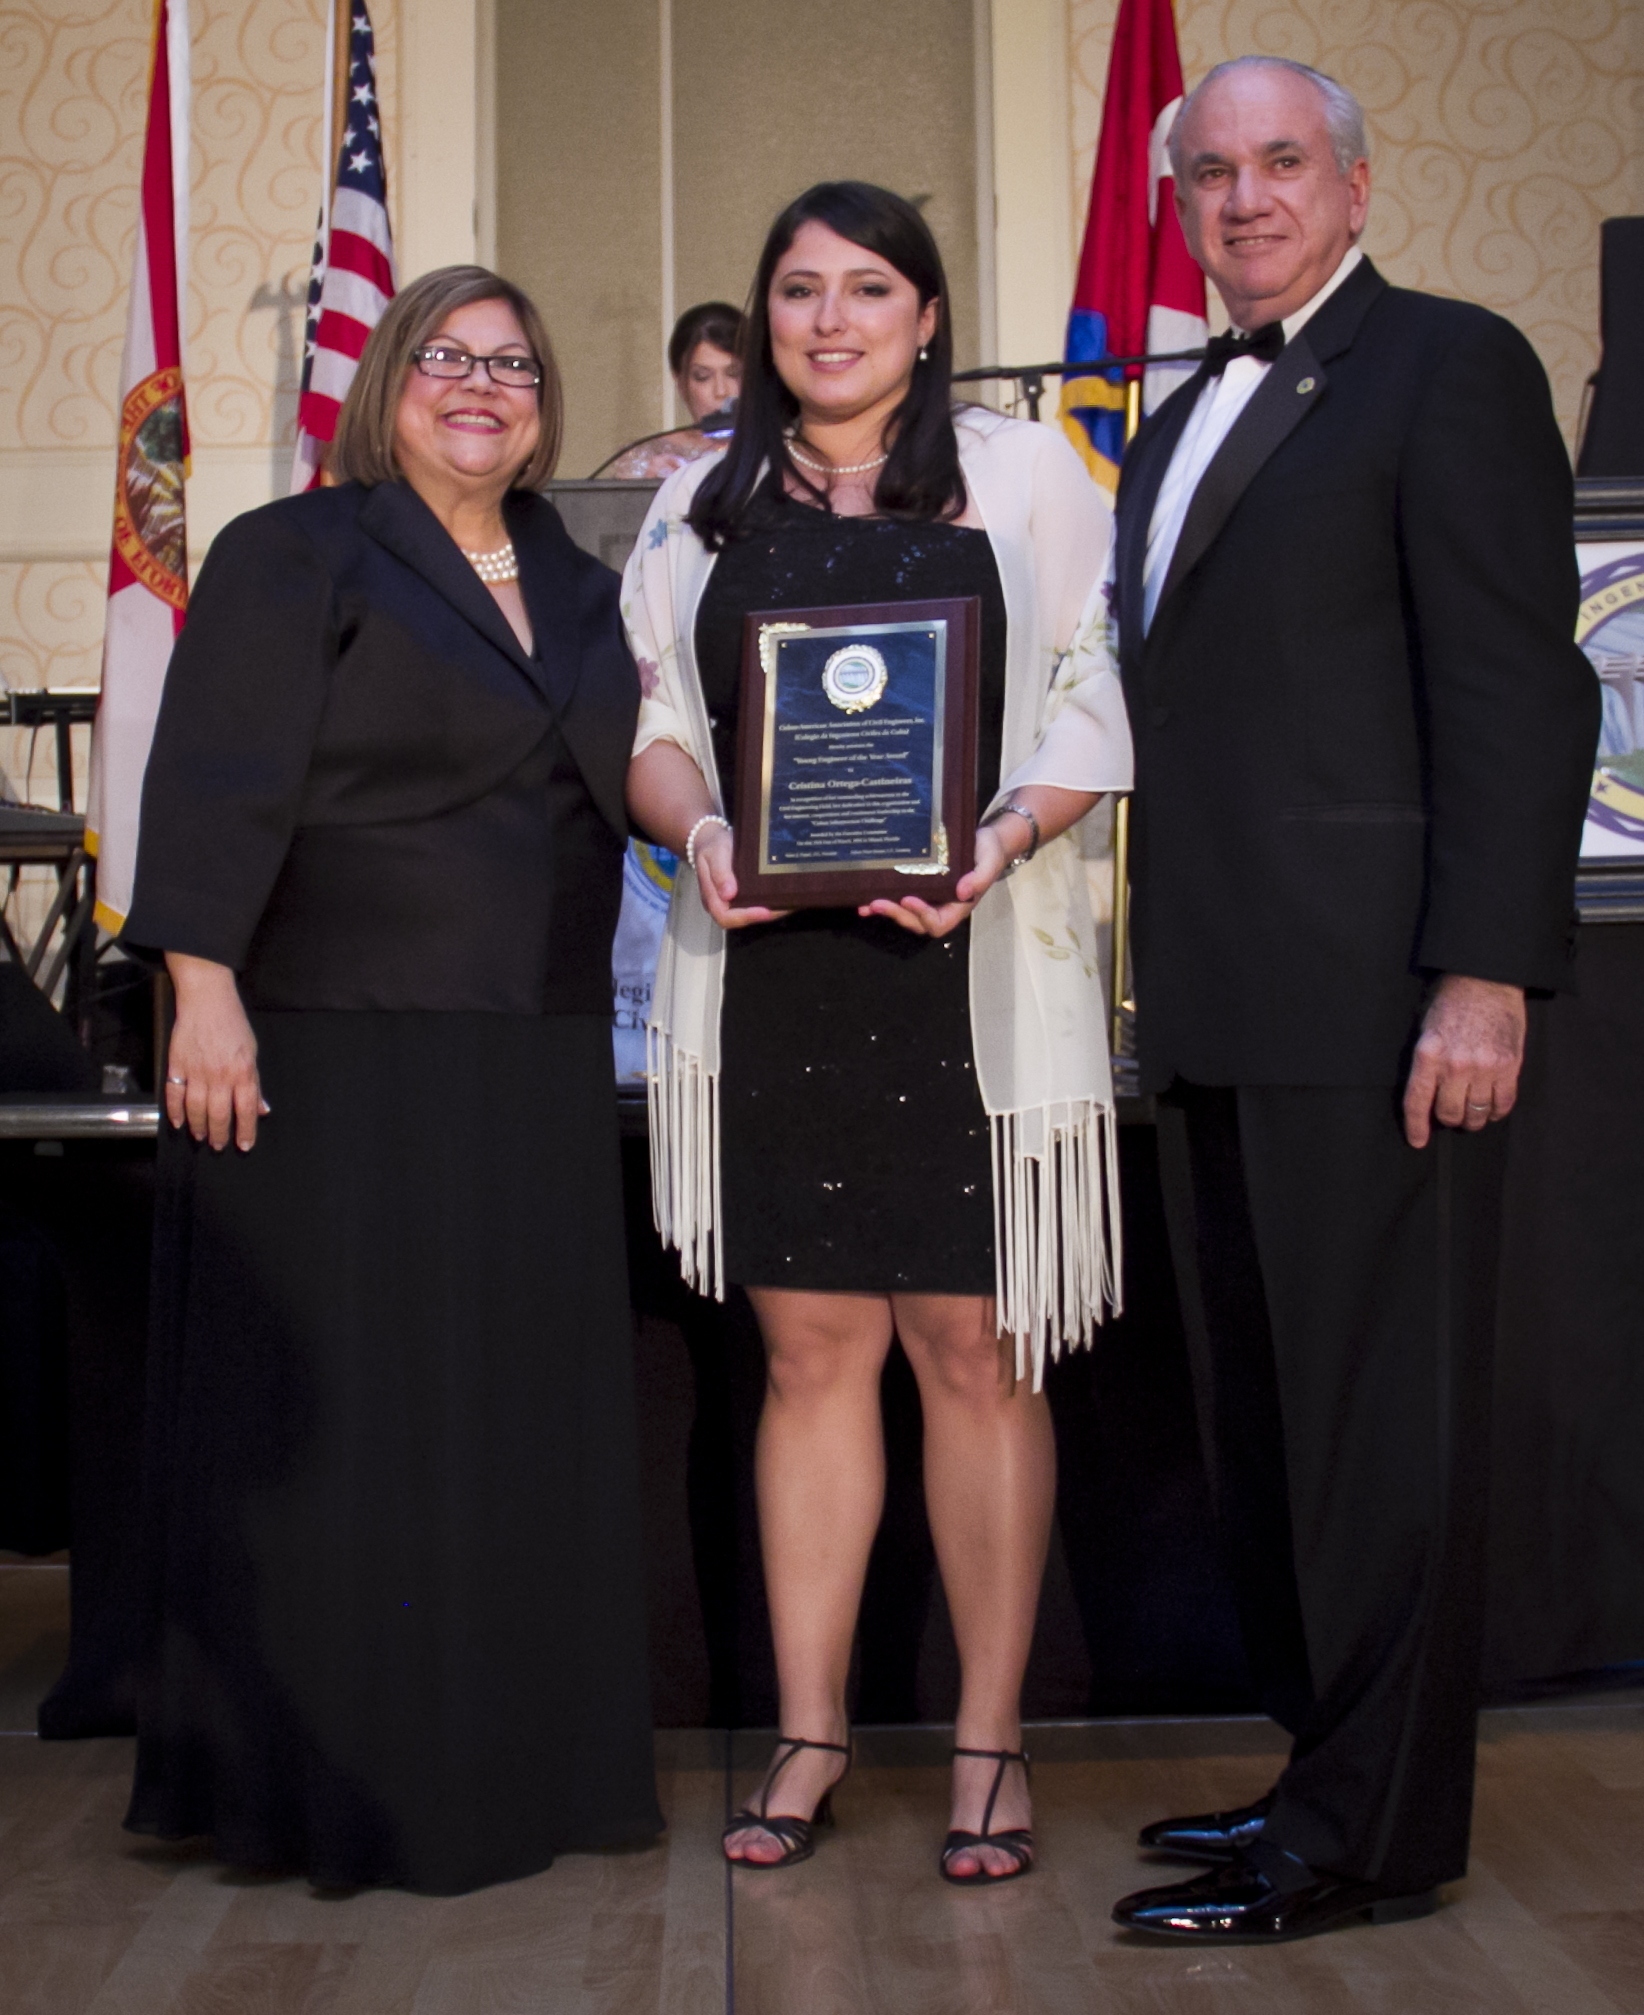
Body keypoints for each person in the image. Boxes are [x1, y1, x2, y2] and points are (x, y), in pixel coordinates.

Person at [1105, 60, 1599, 1942]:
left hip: (1384, 1004)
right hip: (1221, 1003)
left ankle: (1370, 1841)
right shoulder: (1174, 416)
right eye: (1210, 172)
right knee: (1279, 1437)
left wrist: (1484, 970)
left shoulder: (1445, 364)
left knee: (1379, 1440)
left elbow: (1517, 688)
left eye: (1281, 163)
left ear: (1355, 184)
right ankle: (1321, 1775)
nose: (1243, 198)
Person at [120, 265, 662, 1893]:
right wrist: (202, 989)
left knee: (502, 1417)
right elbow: (212, 772)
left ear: (544, 408)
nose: (481, 385)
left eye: (513, 364)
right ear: (387, 384)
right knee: (355, 1429)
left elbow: (639, 775)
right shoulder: (296, 549)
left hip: (533, 1051)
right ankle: (336, 1791)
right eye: (446, 357)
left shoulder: (582, 581)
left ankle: (512, 1765)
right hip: (328, 1047)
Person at [622, 182, 1132, 1883]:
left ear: (925, 314)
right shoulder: (694, 502)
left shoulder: (1027, 474)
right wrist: (703, 831)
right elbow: (652, 723)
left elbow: (1094, 693)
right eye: (797, 291)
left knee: (974, 1356)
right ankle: (811, 1730)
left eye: (865, 289)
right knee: (809, 1358)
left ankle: (987, 1743)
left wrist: (1000, 839)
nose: (828, 320)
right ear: (762, 316)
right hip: (776, 978)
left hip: (966, 973)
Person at [601, 302, 745, 478]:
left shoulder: (774, 448)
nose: (721, 391)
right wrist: (654, 488)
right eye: (702, 376)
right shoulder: (645, 457)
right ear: (681, 383)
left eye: (734, 373)